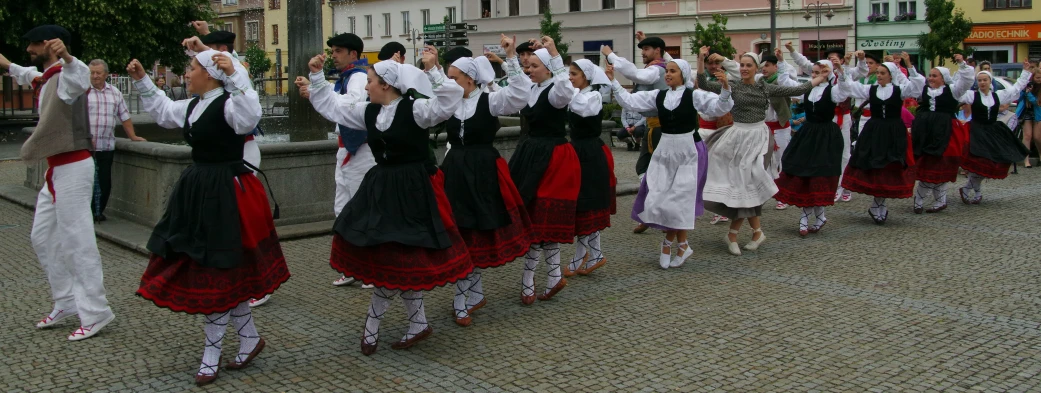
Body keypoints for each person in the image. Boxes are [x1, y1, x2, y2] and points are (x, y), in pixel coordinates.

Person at [127, 47, 288, 385]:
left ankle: (212, 352)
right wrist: (142, 80)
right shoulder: (193, 106)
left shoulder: (229, 106)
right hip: (200, 191)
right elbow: (163, 111)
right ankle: (249, 338)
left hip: (225, 194)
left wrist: (235, 74)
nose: (186, 73)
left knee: (218, 267)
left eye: (190, 68)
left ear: (209, 74)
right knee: (220, 269)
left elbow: (250, 115)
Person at [308, 49, 472, 355]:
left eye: (370, 81)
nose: (366, 86)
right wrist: (317, 77)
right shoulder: (369, 112)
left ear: (385, 85)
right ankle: (415, 322)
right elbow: (333, 107)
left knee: (398, 256)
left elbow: (450, 98)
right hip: (381, 188)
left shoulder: (417, 109)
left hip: (411, 190)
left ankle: (374, 325)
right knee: (391, 258)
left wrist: (434, 70)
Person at [1, 25, 116, 342]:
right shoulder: (47, 77)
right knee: (42, 236)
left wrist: (67, 55)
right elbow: (26, 73)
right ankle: (66, 301)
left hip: (74, 167)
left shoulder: (66, 75)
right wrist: (6, 65)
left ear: (48, 45)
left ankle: (96, 311)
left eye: (33, 45)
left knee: (78, 240)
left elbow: (79, 78)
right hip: (57, 171)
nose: (28, 50)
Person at [439, 35, 534, 326]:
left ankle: (466, 295)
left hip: (483, 171)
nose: (449, 82)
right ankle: (469, 293)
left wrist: (511, 58)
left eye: (453, 78)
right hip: (455, 169)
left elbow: (521, 94)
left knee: (475, 230)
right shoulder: (450, 102)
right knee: (460, 231)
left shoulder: (491, 100)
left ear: (469, 79)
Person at [697, 48, 825, 256]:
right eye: (743, 65)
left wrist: (819, 78)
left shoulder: (765, 87)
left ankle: (735, 233)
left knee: (748, 183)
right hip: (737, 136)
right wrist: (701, 60)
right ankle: (755, 232)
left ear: (757, 68)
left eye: (749, 65)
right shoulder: (733, 85)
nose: (745, 68)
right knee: (744, 186)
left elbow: (796, 91)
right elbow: (703, 84)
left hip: (759, 137)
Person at [611, 58, 733, 268]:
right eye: (667, 71)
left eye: (673, 71)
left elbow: (719, 107)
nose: (667, 74)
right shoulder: (659, 96)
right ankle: (683, 244)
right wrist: (613, 81)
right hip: (665, 151)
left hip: (688, 151)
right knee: (660, 198)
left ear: (683, 75)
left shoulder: (693, 95)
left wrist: (725, 88)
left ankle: (668, 243)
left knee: (680, 199)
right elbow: (630, 101)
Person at [295, 33, 378, 290]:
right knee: (342, 208)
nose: (334, 55)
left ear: (354, 54)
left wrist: (318, 89)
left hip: (361, 151)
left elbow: (348, 105)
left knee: (362, 208)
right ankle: (351, 265)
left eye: (339, 51)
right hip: (347, 149)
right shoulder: (346, 77)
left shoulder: (359, 77)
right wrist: (315, 89)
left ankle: (371, 268)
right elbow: (333, 100)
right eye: (332, 50)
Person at [509, 37, 579, 304]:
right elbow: (516, 83)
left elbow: (565, 88)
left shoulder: (556, 90)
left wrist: (554, 52)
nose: (530, 69)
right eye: (530, 65)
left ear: (549, 69)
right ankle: (551, 276)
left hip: (552, 157)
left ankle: (530, 280)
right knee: (537, 220)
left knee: (539, 220)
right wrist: (511, 57)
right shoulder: (534, 88)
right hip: (532, 154)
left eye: (535, 66)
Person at [839, 59, 926, 224]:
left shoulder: (899, 90)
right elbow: (850, 86)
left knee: (889, 166)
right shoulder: (870, 89)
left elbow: (917, 86)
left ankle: (879, 203)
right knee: (875, 165)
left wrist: (909, 65)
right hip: (875, 131)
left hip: (894, 132)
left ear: (891, 75)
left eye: (882, 73)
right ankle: (877, 203)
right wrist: (843, 70)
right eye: (877, 72)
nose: (878, 75)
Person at [601, 36, 670, 233]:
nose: (643, 52)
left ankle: (662, 215)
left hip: (661, 129)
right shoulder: (658, 66)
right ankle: (651, 211)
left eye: (646, 48)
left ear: (657, 51)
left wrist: (611, 56)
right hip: (650, 127)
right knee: (644, 169)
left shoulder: (658, 69)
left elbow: (638, 75)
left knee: (661, 173)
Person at [774, 60, 851, 236]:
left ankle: (807, 217)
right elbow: (787, 84)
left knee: (819, 175)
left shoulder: (833, 91)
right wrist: (781, 62)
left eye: (819, 72)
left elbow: (845, 90)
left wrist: (838, 71)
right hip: (808, 134)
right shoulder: (807, 89)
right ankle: (818, 216)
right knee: (803, 171)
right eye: (814, 72)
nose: (815, 75)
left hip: (826, 135)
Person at [787, 43, 870, 203]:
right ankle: (826, 185)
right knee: (825, 152)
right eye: (828, 57)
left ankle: (843, 186)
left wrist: (860, 60)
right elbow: (804, 64)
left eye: (834, 58)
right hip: (825, 118)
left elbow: (862, 71)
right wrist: (792, 51)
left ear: (838, 61)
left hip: (843, 116)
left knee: (845, 151)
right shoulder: (819, 73)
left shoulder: (845, 73)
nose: (830, 60)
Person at [561, 59, 616, 276]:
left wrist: (565, 92)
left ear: (586, 77)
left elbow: (582, 110)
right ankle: (591, 252)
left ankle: (591, 253)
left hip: (590, 152)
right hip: (578, 150)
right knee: (581, 203)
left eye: (574, 74)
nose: (570, 77)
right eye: (570, 73)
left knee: (587, 202)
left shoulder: (592, 96)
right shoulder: (578, 94)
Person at [957, 64, 1035, 204]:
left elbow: (1016, 88)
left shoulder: (998, 95)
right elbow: (957, 91)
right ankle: (975, 191)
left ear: (990, 81)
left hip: (992, 131)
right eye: (979, 80)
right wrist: (962, 69)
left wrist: (1025, 73)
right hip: (977, 131)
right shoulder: (972, 95)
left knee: (990, 163)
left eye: (985, 80)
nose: (982, 82)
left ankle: (968, 189)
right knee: (978, 163)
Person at [909, 54, 974, 214]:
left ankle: (927, 199)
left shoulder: (953, 90)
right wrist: (908, 65)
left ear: (943, 78)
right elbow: (911, 81)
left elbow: (966, 81)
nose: (930, 78)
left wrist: (962, 64)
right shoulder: (924, 90)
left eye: (934, 76)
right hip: (926, 132)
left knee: (941, 164)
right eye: (930, 75)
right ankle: (931, 199)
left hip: (946, 131)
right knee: (928, 164)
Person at [86, 59, 145, 223]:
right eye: (92, 73)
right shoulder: (82, 92)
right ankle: (87, 214)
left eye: (98, 73)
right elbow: (73, 118)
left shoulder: (115, 93)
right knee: (86, 183)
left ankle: (98, 212)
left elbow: (124, 116)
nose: (95, 76)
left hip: (105, 146)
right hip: (85, 148)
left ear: (106, 74)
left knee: (104, 183)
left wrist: (132, 136)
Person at [759, 50, 800, 210]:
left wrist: (783, 61)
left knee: (782, 159)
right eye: (762, 65)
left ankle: (783, 193)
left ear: (775, 67)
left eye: (768, 65)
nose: (764, 68)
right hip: (765, 127)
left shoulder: (782, 81)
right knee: (766, 160)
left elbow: (791, 77)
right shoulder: (760, 82)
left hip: (780, 126)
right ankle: (769, 191)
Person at [1017, 70, 1041, 168]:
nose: (1039, 80)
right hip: (1026, 112)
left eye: (1040, 78)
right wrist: (1024, 90)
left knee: (1037, 137)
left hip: (1037, 114)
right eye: (1037, 78)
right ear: (1033, 78)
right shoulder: (1029, 85)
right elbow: (1019, 96)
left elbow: (1036, 102)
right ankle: (1026, 160)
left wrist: (1028, 94)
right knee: (1027, 136)